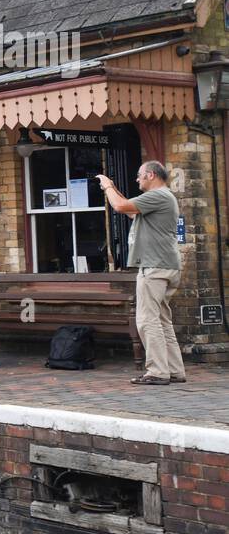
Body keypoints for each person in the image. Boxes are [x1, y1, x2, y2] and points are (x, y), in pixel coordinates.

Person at [98, 162, 185, 385]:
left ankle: (157, 371)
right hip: (166, 264)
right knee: (163, 321)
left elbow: (119, 207)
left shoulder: (158, 195)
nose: (137, 180)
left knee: (147, 320)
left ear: (150, 174)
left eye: (139, 176)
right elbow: (129, 210)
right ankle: (174, 370)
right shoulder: (161, 198)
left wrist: (108, 187)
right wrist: (114, 189)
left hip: (154, 266)